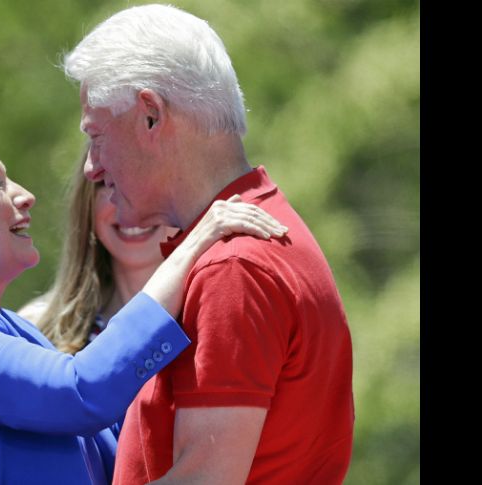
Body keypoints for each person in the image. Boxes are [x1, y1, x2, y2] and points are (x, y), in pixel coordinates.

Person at [0, 95, 287, 485]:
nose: (24, 194)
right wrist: (195, 244)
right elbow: (80, 391)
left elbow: (121, 446)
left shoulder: (5, 326)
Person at [63, 4, 355, 484]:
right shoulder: (250, 241)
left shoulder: (235, 266)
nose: (92, 166)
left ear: (151, 115)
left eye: (96, 135)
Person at [18, 148, 179, 354]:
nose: (131, 202)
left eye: (150, 179)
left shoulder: (210, 318)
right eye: (108, 181)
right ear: (87, 203)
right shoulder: (36, 330)